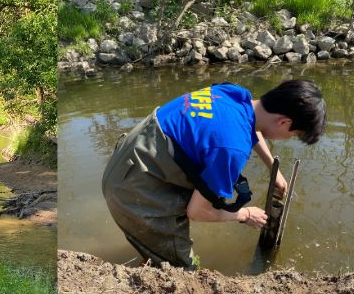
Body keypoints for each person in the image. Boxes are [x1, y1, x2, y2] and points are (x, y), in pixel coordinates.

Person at [101, 80, 326, 269]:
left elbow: (252, 127)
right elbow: (197, 212)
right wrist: (245, 214)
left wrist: (272, 167)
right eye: (293, 134)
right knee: (182, 271)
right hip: (132, 187)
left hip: (132, 152)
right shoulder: (231, 149)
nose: (289, 138)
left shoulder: (235, 94)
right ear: (284, 122)